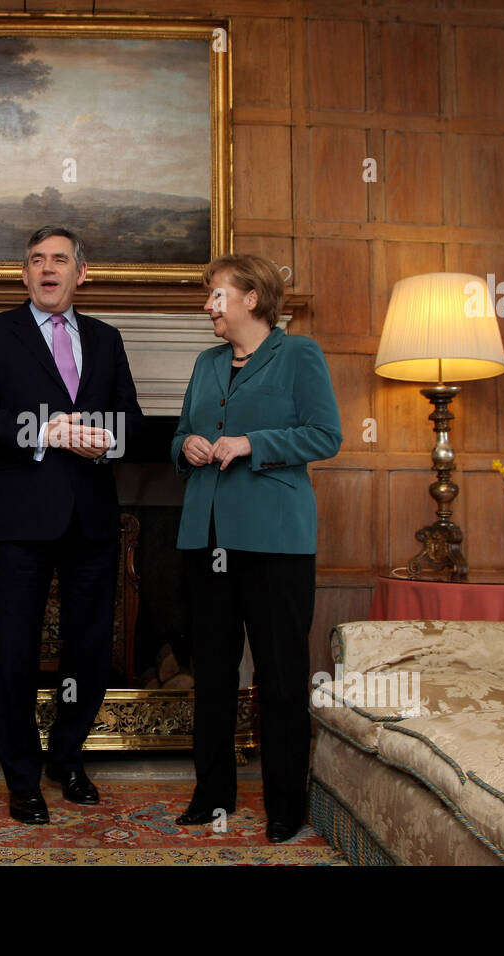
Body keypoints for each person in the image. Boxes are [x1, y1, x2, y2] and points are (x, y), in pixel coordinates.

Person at [0, 225, 144, 824]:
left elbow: (132, 420)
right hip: (20, 519)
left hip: (91, 518)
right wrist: (44, 432)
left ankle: (68, 757)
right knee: (13, 649)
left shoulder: (107, 339)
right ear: (25, 273)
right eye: (36, 260)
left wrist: (105, 439)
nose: (47, 268)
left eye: (59, 259)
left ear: (80, 273)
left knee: (88, 649)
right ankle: (22, 776)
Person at [171, 253, 342, 843]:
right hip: (206, 536)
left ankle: (285, 806)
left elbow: (326, 434)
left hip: (274, 541)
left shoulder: (299, 354)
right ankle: (210, 794)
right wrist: (186, 445)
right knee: (213, 674)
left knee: (280, 676)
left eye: (216, 294)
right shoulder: (207, 361)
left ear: (251, 297)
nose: (207, 306)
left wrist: (251, 442)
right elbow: (178, 432)